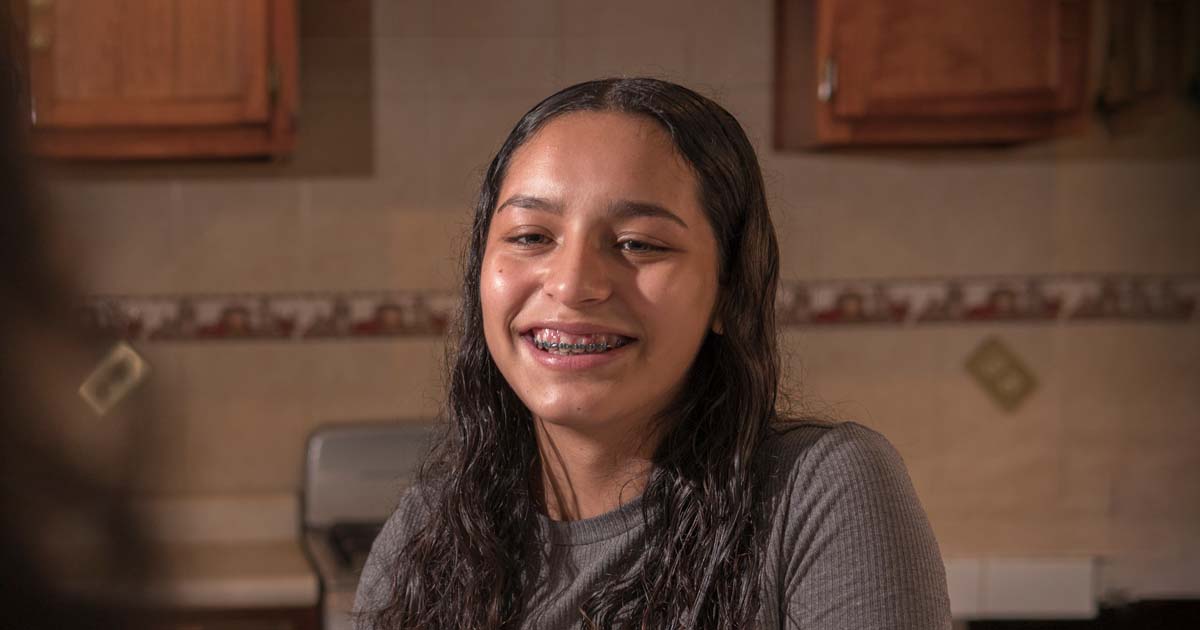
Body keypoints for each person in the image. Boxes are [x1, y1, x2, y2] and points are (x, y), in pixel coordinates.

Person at [354, 78, 950, 630]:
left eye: (638, 243)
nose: (573, 283)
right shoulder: (427, 531)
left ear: (729, 290)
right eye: (531, 237)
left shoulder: (820, 491)